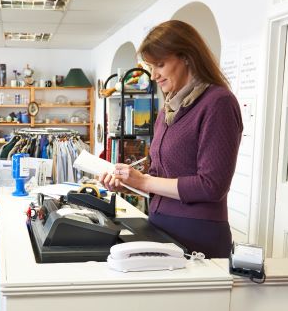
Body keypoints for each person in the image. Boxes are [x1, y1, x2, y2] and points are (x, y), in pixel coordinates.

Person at [99, 20, 243, 258]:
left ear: (187, 57)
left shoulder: (218, 103)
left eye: (160, 65)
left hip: (199, 236)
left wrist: (144, 182)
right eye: (150, 66)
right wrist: (129, 183)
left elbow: (212, 186)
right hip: (161, 228)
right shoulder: (169, 108)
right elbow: (161, 179)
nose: (153, 75)